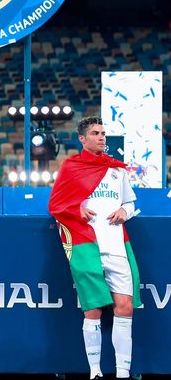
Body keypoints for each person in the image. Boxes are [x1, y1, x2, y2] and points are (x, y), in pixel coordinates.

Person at [48, 116, 141, 380]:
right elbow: (56, 204)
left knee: (125, 307)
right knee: (93, 309)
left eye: (103, 133)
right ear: (82, 139)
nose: (101, 137)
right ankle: (95, 371)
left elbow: (131, 203)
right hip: (86, 245)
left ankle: (123, 372)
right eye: (96, 133)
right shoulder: (71, 167)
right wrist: (76, 208)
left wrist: (124, 210)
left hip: (116, 245)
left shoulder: (117, 169)